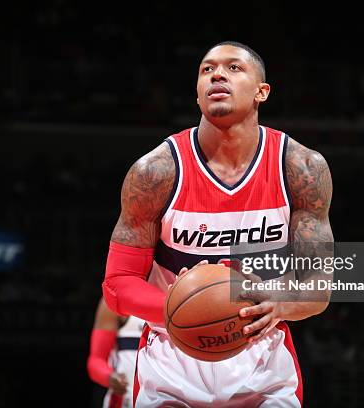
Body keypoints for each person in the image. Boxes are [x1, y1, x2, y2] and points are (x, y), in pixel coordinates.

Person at [102, 41, 334, 407]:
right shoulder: (155, 172)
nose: (218, 75)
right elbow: (117, 285)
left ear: (262, 91)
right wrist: (180, 309)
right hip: (170, 363)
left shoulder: (301, 168)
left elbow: (319, 284)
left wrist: (281, 303)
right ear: (197, 95)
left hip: (262, 364)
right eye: (206, 70)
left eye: (233, 68)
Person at [87, 297, 145, 408]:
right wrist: (109, 377)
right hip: (127, 400)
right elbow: (96, 361)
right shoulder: (115, 299)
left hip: (174, 398)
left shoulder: (182, 295)